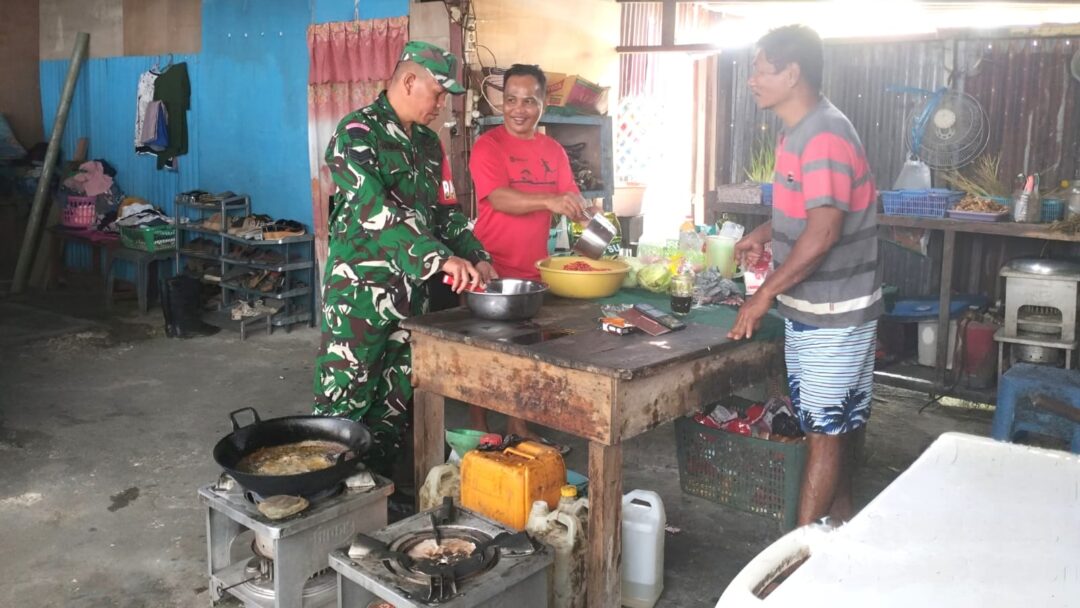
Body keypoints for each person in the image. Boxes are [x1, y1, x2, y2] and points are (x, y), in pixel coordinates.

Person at [313, 41, 497, 481]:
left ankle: (376, 496)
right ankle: (326, 497)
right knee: (344, 405)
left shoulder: (430, 146)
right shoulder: (356, 134)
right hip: (358, 298)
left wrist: (476, 255)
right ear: (409, 80)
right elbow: (374, 211)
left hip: (410, 300)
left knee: (394, 404)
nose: (441, 105)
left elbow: (445, 212)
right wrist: (441, 259)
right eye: (437, 93)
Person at [727, 25, 882, 527]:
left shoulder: (824, 136)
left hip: (834, 312)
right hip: (823, 308)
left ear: (792, 74)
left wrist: (763, 295)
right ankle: (840, 528)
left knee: (823, 432)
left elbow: (824, 232)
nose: (751, 80)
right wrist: (766, 233)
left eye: (760, 68)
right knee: (834, 425)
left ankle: (797, 563)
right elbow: (811, 208)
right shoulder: (798, 132)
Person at [466, 63, 590, 445]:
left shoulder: (553, 150)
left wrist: (587, 212)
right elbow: (498, 198)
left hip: (534, 269)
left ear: (544, 103)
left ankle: (517, 426)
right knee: (483, 356)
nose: (519, 110)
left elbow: (570, 196)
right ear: (502, 102)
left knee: (525, 355)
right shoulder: (488, 146)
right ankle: (480, 428)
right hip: (489, 264)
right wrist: (550, 199)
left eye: (529, 101)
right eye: (511, 100)